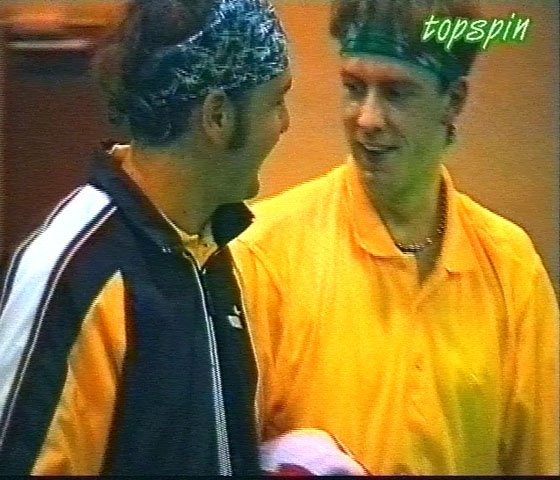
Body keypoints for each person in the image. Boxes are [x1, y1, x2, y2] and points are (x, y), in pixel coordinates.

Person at [230, 0, 559, 475]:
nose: (367, 118)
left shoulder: (511, 267)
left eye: (396, 93)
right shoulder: (262, 252)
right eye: (353, 88)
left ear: (453, 101)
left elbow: (537, 461)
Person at [0, 0, 291, 475]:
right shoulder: (78, 271)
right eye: (277, 100)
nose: (285, 123)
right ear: (218, 116)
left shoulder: (212, 256)